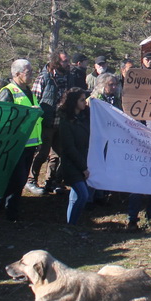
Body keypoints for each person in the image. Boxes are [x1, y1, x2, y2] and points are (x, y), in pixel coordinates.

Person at [0, 59, 42, 221]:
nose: (31, 75)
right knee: (14, 177)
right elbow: (3, 117)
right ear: (17, 74)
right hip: (15, 144)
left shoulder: (29, 92)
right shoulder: (8, 91)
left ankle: (12, 211)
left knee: (21, 179)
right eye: (28, 72)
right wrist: (27, 113)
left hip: (30, 143)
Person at [28, 52, 70, 195]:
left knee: (57, 154)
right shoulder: (44, 77)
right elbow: (35, 99)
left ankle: (51, 181)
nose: (67, 64)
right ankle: (31, 180)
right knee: (42, 153)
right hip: (46, 121)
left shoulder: (66, 77)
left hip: (60, 121)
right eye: (65, 61)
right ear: (57, 62)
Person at [55, 88, 92, 226]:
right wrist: (83, 167)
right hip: (72, 165)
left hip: (82, 161)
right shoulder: (65, 123)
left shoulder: (84, 117)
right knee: (83, 195)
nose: (85, 102)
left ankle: (71, 225)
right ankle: (72, 224)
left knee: (75, 197)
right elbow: (69, 148)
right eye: (82, 100)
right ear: (74, 102)